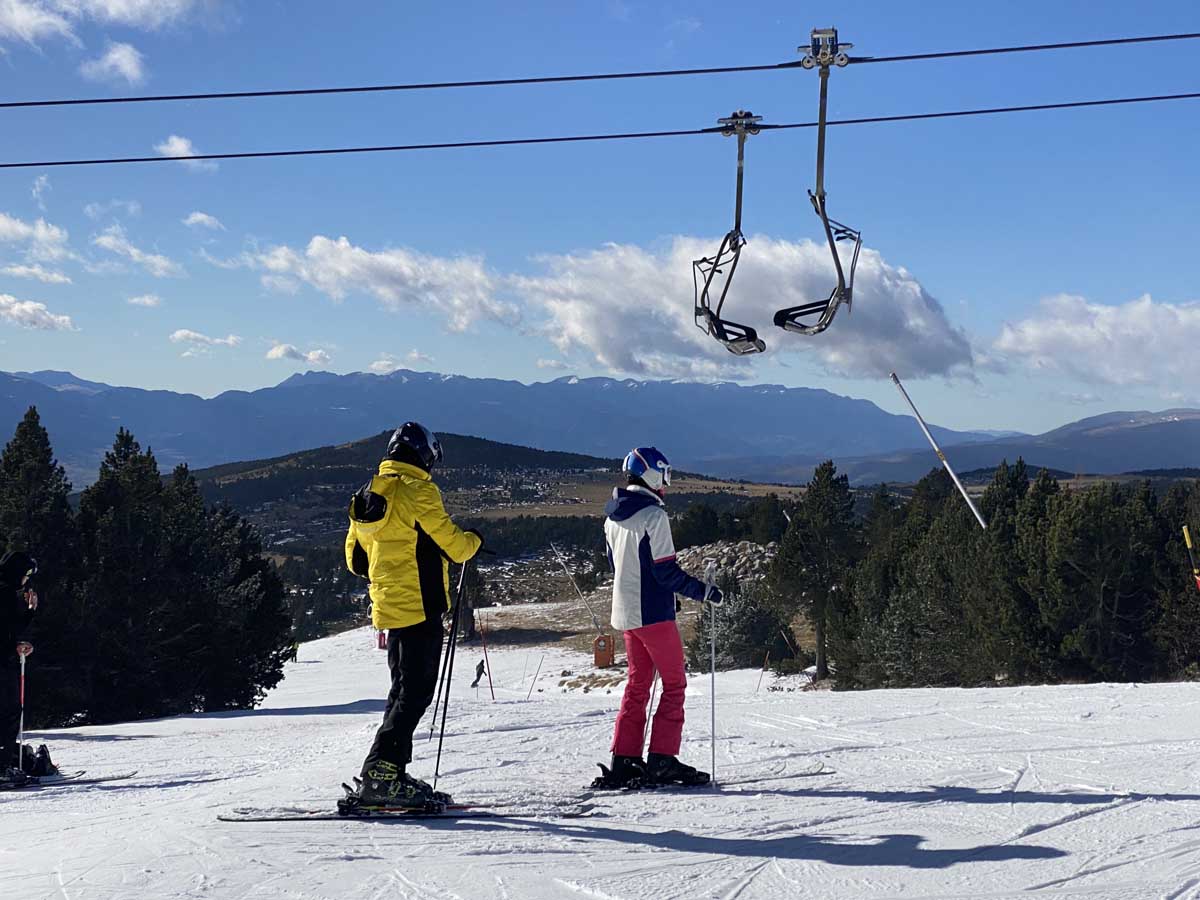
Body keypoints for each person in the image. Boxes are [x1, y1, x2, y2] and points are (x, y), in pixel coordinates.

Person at [344, 422, 482, 809]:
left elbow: (354, 559)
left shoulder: (368, 494)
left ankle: (389, 771)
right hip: (421, 605)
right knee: (418, 691)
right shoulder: (419, 491)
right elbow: (454, 546)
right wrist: (475, 541)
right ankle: (381, 772)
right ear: (425, 456)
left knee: (402, 689)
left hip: (388, 605)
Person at [597, 447, 722, 789]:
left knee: (638, 686)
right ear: (652, 474)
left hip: (625, 614)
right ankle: (662, 760)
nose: (667, 482)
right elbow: (665, 572)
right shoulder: (654, 516)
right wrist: (705, 592)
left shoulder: (612, 517)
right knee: (674, 684)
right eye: (665, 474)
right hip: (652, 615)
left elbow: (617, 566)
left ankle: (624, 759)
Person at [1, 552, 37, 783]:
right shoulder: (4, 594)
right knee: (9, 711)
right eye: (26, 575)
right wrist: (15, 646)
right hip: (1, 663)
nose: (26, 581)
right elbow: (7, 630)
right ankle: (2, 768)